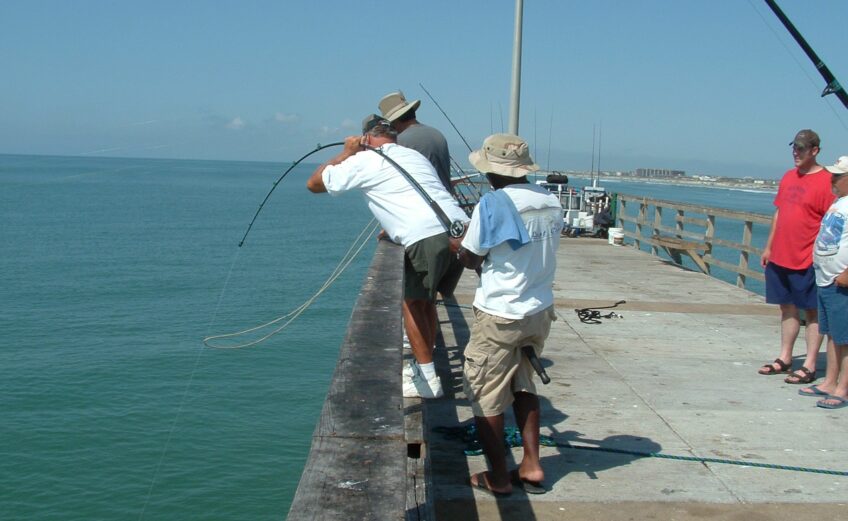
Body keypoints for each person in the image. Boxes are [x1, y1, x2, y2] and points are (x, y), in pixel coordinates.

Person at [306, 115, 468, 399]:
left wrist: (347, 152)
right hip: (460, 232)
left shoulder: (365, 160)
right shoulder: (414, 156)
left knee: (412, 304)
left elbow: (315, 184)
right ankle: (425, 369)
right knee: (425, 301)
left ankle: (428, 381)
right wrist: (395, 227)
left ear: (366, 138)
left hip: (427, 237)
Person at [456, 133, 564, 496]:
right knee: (524, 383)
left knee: (484, 393)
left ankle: (498, 477)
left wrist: (460, 244)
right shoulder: (550, 199)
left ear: (491, 171)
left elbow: (471, 257)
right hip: (539, 309)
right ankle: (532, 466)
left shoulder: (493, 203)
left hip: (501, 313)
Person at [758, 129, 833, 384]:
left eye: (801, 148)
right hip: (780, 255)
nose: (796, 152)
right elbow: (779, 213)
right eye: (794, 148)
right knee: (786, 308)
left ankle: (810, 364)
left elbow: (830, 224)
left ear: (814, 151)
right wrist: (769, 247)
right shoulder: (789, 177)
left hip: (808, 258)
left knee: (812, 311)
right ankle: (785, 357)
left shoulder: (826, 181)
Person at [801, 156, 848, 409]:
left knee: (845, 338)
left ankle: (843, 388)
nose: (832, 180)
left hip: (841, 281)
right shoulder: (839, 202)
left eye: (838, 176)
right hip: (826, 278)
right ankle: (830, 381)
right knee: (831, 334)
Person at [378, 91, 453, 194]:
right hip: (446, 200)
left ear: (394, 121)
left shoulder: (399, 142)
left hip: (423, 204)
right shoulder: (437, 134)